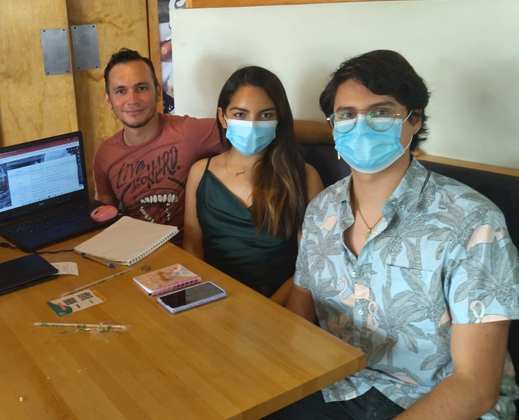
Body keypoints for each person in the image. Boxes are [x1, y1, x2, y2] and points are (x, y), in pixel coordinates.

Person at [275, 50, 519, 419]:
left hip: (436, 399)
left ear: (414, 119)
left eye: (381, 112)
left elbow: (474, 387)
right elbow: (300, 312)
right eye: (346, 115)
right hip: (340, 384)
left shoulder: (473, 223)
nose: (361, 126)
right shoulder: (321, 210)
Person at [93, 48, 332, 242]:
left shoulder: (188, 132)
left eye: (141, 88)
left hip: (185, 254)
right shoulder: (105, 154)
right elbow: (104, 212)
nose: (132, 100)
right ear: (108, 99)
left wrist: (339, 134)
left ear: (157, 92)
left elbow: (258, 126)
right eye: (121, 91)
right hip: (135, 253)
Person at [182, 66, 324, 305]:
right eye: (240, 114)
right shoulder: (200, 172)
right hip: (215, 301)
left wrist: (266, 311)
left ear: (278, 119)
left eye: (265, 115)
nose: (252, 124)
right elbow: (192, 248)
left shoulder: (304, 177)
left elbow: (309, 263)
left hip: (280, 305)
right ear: (222, 117)